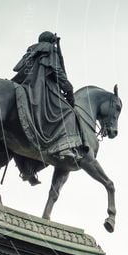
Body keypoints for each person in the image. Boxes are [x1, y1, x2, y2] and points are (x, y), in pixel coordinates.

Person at [11, 32, 86, 183]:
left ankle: (27, 168)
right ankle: (64, 149)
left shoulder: (33, 50)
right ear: (51, 41)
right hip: (43, 89)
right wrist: (69, 89)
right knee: (68, 113)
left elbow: (18, 69)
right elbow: (58, 72)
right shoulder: (50, 50)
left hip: (25, 86)